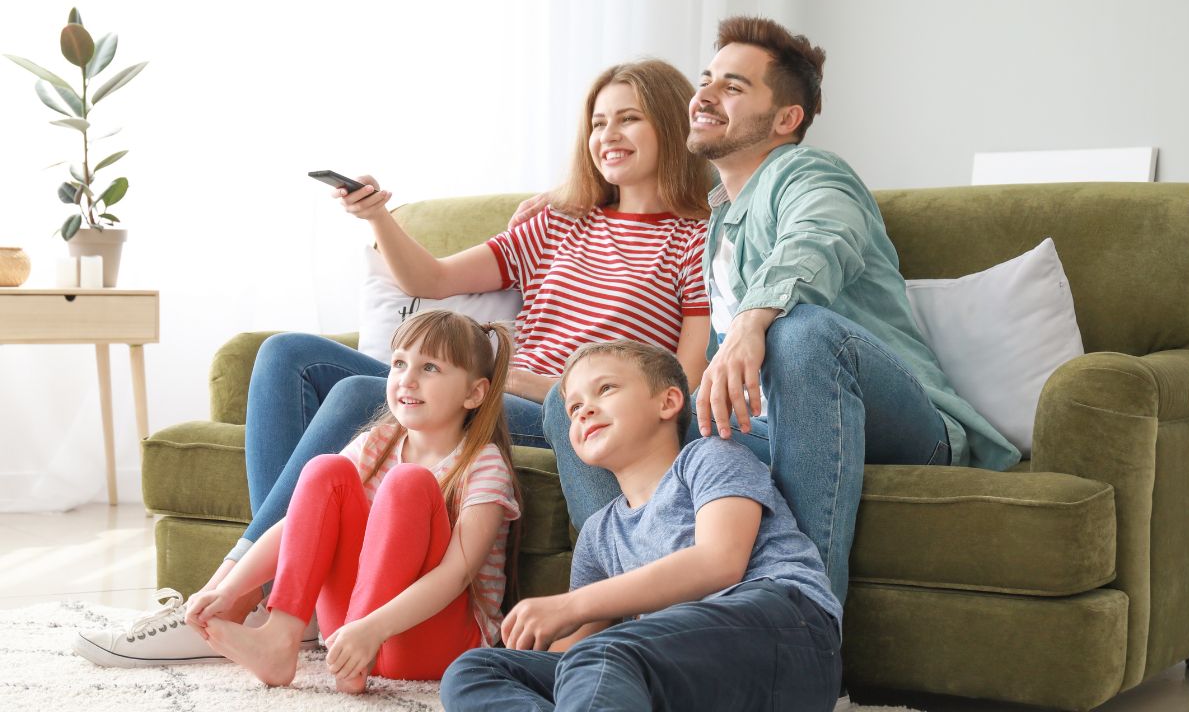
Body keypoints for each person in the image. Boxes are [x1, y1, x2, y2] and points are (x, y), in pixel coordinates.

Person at [74, 59, 714, 667]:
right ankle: (249, 591)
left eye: (628, 118)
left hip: (552, 406)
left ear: (669, 124)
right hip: (497, 381)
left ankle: (232, 600)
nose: (608, 135)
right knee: (286, 355)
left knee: (360, 394)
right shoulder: (556, 219)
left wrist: (528, 381)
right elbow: (432, 280)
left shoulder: (696, 237)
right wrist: (378, 216)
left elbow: (679, 380)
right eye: (598, 122)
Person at [537, 16, 1021, 606]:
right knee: (576, 413)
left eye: (734, 87)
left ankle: (805, 627)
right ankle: (631, 617)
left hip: (897, 421)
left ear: (786, 119)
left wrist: (751, 322)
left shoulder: (812, 174)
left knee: (802, 334)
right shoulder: (718, 222)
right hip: (764, 429)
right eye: (707, 80)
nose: (706, 96)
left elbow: (820, 239)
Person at [440, 340, 843, 712]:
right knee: (475, 669)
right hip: (683, 672)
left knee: (601, 654)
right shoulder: (599, 533)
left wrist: (569, 605)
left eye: (606, 389)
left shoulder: (709, 459)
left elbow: (720, 562)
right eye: (574, 408)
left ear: (668, 402)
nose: (584, 411)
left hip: (787, 633)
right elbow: (568, 659)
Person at [180, 310, 518, 692]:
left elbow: (456, 575)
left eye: (430, 369)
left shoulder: (484, 463)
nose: (407, 379)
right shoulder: (377, 442)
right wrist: (228, 588)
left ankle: (357, 649)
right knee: (325, 470)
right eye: (399, 363)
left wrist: (370, 629)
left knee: (408, 483)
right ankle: (280, 638)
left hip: (431, 642)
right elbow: (298, 523)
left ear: (474, 393)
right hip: (350, 638)